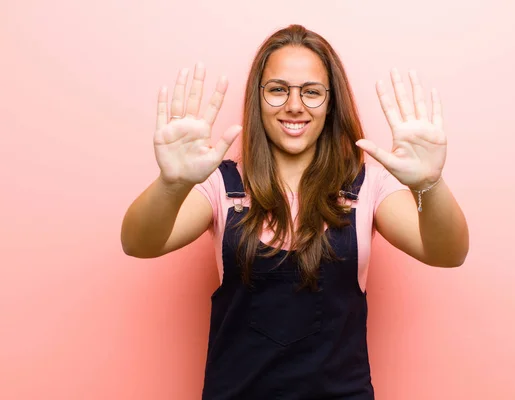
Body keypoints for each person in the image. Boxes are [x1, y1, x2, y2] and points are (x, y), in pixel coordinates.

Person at [121, 24, 469, 400]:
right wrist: (172, 184)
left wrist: (429, 184)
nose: (294, 105)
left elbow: (447, 254)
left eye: (311, 92)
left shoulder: (369, 185)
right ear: (258, 98)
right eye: (277, 89)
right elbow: (138, 243)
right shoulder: (220, 184)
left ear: (331, 102)